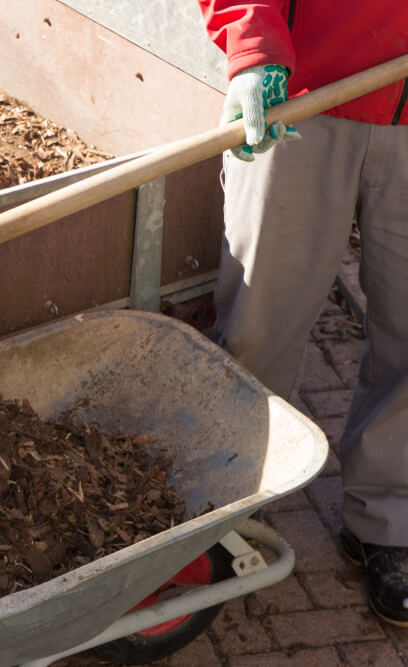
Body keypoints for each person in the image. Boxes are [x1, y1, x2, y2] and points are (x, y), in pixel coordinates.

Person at [198, 1, 408, 626]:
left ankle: (388, 518)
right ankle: (223, 509)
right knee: (258, 326)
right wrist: (254, 51)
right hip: (301, 100)